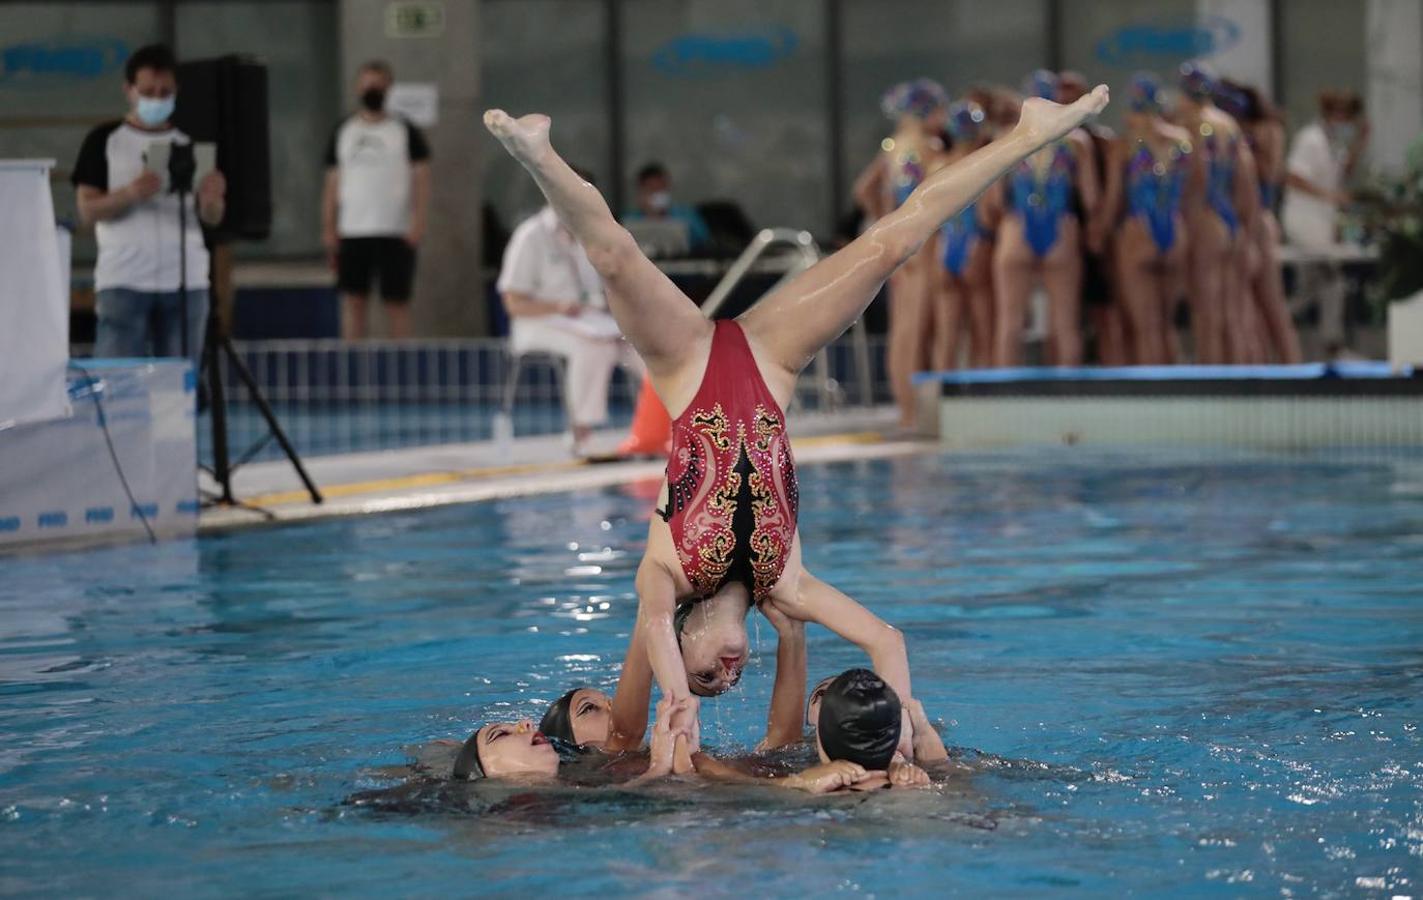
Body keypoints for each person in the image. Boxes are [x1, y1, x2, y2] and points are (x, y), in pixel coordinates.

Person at [479, 80, 1111, 759]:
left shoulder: (665, 573)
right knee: (889, 246)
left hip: (685, 369)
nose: (724, 674)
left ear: (687, 644)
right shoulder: (787, 583)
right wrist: (904, 720)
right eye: (728, 680)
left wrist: (680, 700)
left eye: (704, 673)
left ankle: (538, 155)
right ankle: (1028, 135)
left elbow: (653, 627)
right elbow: (884, 639)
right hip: (769, 365)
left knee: (613, 257)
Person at [72, 43, 226, 373]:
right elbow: (87, 210)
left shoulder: (191, 143)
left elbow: (212, 217)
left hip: (186, 280)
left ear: (176, 92)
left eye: (165, 92)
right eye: (148, 92)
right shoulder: (104, 140)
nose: (157, 99)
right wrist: (130, 193)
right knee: (117, 385)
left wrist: (213, 199)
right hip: (125, 279)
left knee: (178, 393)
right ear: (129, 91)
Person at [497, 190, 641, 456]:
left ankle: (662, 427)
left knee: (646, 345)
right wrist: (558, 307)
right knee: (593, 346)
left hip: (593, 320)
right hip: (538, 321)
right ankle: (581, 433)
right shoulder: (530, 236)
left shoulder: (594, 234)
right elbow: (513, 304)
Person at [984, 71, 1100, 367]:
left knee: (1009, 323)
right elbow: (1091, 199)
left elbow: (995, 201)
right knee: (1065, 324)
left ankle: (1004, 404)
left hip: (1016, 230)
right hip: (1061, 230)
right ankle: (1067, 407)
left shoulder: (1007, 137)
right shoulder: (1077, 139)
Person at [854, 78, 949, 428]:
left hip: (900, 249)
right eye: (940, 110)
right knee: (925, 331)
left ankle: (905, 412)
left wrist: (886, 223)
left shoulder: (893, 147)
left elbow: (863, 189)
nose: (944, 118)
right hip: (924, 248)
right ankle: (916, 414)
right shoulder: (931, 147)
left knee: (903, 332)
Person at [1094, 72, 1200, 365]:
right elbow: (1193, 192)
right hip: (1175, 230)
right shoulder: (1183, 141)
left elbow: (1114, 200)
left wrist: (1098, 235)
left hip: (1138, 231)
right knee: (1167, 325)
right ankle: (1176, 394)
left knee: (1146, 328)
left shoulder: (1125, 144)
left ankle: (1154, 398)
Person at [322, 60, 431, 340]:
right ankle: (353, 368)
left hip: (395, 230)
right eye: (368, 83)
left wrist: (418, 222)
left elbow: (421, 179)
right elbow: (332, 183)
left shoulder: (405, 131)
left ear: (389, 88)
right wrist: (329, 226)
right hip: (353, 230)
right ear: (358, 87)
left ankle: (401, 369)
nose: (373, 89)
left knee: (397, 302)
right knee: (353, 301)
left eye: (378, 84)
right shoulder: (343, 131)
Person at [1176, 62, 1260, 364]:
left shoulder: (1188, 124)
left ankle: (1210, 388)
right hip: (1230, 221)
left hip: (1203, 219)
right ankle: (1242, 386)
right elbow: (1247, 184)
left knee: (1206, 313)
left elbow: (1196, 177)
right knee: (1233, 311)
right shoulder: (1229, 124)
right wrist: (1247, 230)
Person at [1217, 79, 1303, 364]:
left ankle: (1294, 370)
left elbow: (1271, 174)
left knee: (1270, 305)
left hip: (1259, 221)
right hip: (1239, 220)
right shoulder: (1228, 135)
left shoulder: (1263, 131)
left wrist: (1245, 147)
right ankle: (1259, 371)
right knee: (1246, 310)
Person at [1281, 89, 1369, 352]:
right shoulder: (1311, 140)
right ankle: (1332, 343)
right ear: (1335, 115)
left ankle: (1275, 320)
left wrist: (1361, 143)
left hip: (1320, 223)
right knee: (1331, 280)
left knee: (1312, 286)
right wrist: (1330, 197)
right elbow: (1294, 177)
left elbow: (1342, 172)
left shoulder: (1333, 143)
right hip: (1303, 220)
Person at [1061, 70, 1127, 366]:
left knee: (1105, 310)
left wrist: (1099, 228)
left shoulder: (1101, 141)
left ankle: (1112, 372)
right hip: (1068, 232)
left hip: (1093, 231)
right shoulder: (1062, 139)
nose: (1066, 98)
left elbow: (1108, 192)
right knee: (1067, 313)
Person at [930, 100, 996, 369]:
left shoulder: (937, 164)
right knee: (983, 335)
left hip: (944, 248)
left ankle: (943, 405)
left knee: (946, 337)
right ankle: (980, 405)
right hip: (975, 244)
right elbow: (987, 214)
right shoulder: (984, 163)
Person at [624, 162, 711, 253]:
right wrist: (650, 216)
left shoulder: (686, 215)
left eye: (660, 188)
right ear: (641, 191)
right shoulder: (630, 219)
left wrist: (664, 216)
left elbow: (703, 239)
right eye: (651, 189)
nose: (657, 194)